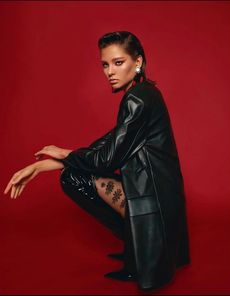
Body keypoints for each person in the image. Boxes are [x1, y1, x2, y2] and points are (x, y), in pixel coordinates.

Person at [3, 31, 190, 291]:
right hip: (164, 198)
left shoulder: (137, 99)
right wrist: (50, 162)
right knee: (71, 172)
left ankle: (137, 249)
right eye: (105, 64)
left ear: (138, 62)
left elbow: (107, 159)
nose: (109, 72)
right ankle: (135, 245)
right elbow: (113, 141)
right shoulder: (146, 92)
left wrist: (65, 157)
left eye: (118, 62)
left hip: (154, 201)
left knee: (73, 178)